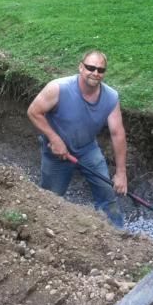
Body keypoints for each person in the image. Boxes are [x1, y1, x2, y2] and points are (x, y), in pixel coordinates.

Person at [27, 50, 127, 227]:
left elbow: (117, 133)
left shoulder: (111, 97)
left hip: (88, 150)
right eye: (90, 67)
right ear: (81, 67)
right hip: (56, 154)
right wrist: (54, 139)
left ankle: (118, 237)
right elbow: (34, 112)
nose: (95, 73)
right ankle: (46, 232)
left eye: (100, 70)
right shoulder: (59, 88)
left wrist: (121, 173)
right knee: (50, 201)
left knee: (107, 197)